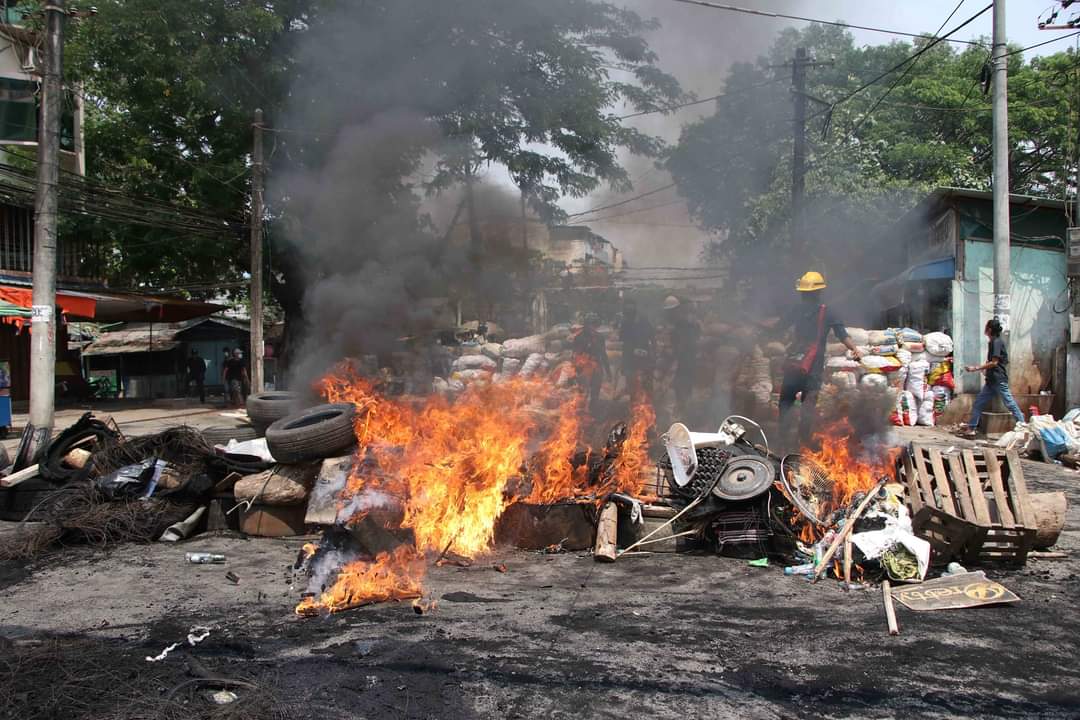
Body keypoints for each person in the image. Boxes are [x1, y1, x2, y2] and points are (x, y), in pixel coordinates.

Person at [771, 271, 863, 450]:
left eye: (805, 294)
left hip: (798, 363)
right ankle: (799, 441)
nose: (804, 297)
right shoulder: (827, 312)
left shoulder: (800, 310)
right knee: (806, 405)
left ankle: (786, 441)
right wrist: (855, 349)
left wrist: (761, 331)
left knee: (788, 402)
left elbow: (778, 327)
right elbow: (842, 335)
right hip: (810, 367)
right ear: (819, 292)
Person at [960, 318, 1024, 438]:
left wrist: (976, 368)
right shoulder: (993, 342)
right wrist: (986, 369)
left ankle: (1023, 426)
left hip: (998, 379)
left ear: (989, 329)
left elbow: (994, 362)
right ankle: (971, 428)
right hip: (992, 381)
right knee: (978, 403)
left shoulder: (996, 342)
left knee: (1010, 403)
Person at [663, 295, 700, 416]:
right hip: (683, 358)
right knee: (680, 385)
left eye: (670, 311)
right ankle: (683, 409)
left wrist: (674, 356)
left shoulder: (684, 323)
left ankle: (684, 411)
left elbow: (685, 344)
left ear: (676, 310)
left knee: (682, 385)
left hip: (687, 359)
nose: (669, 314)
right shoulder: (678, 323)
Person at [571, 313, 610, 414]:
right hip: (584, 368)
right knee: (583, 393)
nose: (593, 327)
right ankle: (580, 413)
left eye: (595, 324)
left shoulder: (600, 337)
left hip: (597, 367)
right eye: (591, 324)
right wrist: (574, 372)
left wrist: (608, 372)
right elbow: (575, 355)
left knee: (595, 393)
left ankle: (593, 412)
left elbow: (603, 355)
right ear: (586, 325)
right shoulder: (579, 337)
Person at [619, 298, 655, 398]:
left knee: (646, 382)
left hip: (644, 355)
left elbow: (652, 337)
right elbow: (624, 341)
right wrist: (624, 363)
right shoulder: (625, 323)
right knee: (632, 383)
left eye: (631, 308)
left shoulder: (643, 321)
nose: (629, 311)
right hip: (630, 357)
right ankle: (634, 402)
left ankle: (648, 401)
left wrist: (653, 353)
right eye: (627, 309)